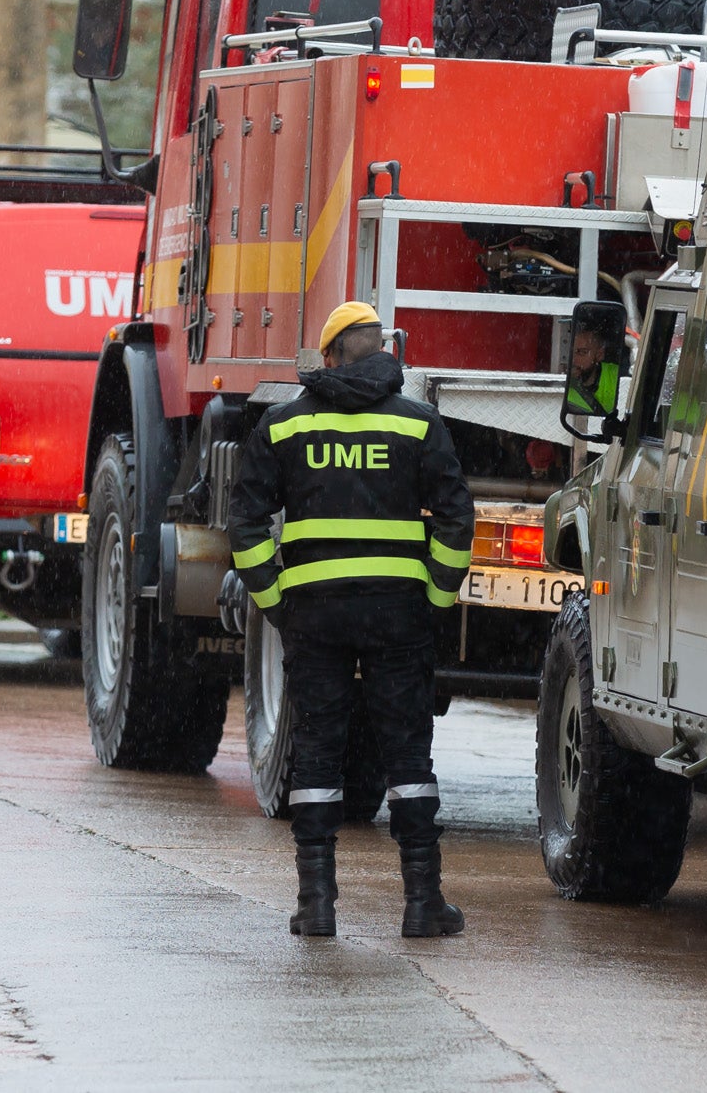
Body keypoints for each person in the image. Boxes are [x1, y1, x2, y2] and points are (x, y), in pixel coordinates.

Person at [223, 301, 477, 938]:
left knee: (317, 754)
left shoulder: (283, 428)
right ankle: (422, 905)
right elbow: (455, 520)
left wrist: (275, 601)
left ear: (329, 357)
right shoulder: (420, 426)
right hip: (399, 617)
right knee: (407, 755)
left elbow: (246, 524)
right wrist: (435, 600)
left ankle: (317, 907)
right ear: (383, 354)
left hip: (314, 617)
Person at [563, 300, 628, 433]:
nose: (573, 360)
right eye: (571, 352)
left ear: (599, 355)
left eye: (582, 352)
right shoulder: (562, 380)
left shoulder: (620, 377)